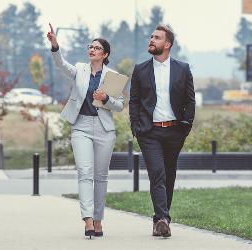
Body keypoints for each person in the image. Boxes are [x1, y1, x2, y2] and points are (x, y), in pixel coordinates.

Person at [47, 23, 125, 239]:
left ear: (105, 54)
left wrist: (106, 98)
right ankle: (88, 220)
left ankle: (98, 220)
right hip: (80, 125)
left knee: (100, 177)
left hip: (104, 129)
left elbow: (119, 105)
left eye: (97, 48)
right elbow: (61, 65)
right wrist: (55, 46)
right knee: (84, 173)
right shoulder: (79, 69)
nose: (92, 50)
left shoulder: (112, 76)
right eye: (90, 46)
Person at [128, 25, 195, 238]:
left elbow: (190, 100)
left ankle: (159, 221)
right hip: (149, 132)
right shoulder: (140, 69)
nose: (151, 40)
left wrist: (186, 125)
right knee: (157, 173)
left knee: (169, 176)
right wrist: (136, 127)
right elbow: (134, 101)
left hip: (174, 131)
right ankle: (164, 219)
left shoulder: (182, 69)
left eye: (156, 38)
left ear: (167, 44)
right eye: (151, 37)